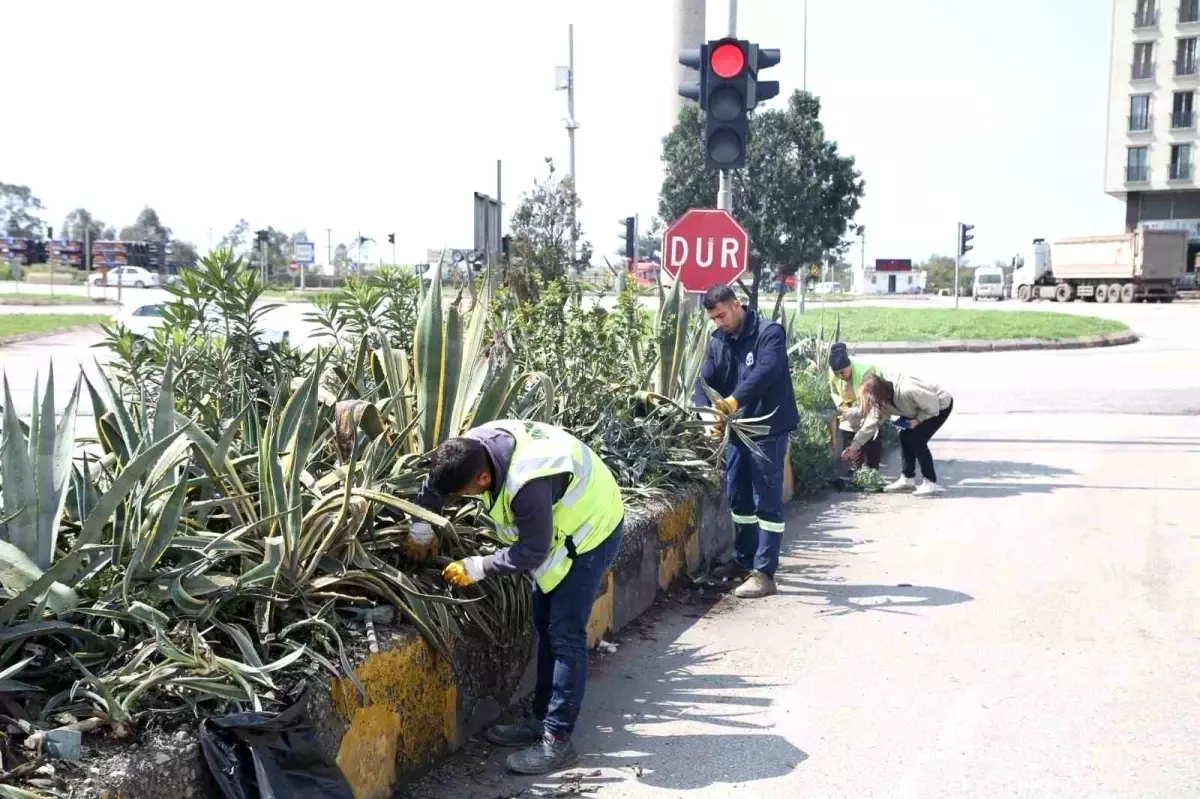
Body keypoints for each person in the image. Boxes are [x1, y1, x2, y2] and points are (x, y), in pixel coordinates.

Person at [409, 420, 624, 775]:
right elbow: (438, 478)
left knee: (565, 635)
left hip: (591, 531)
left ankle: (557, 741)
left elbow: (532, 551)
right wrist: (420, 527)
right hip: (560, 528)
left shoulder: (528, 483)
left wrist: (478, 566)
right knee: (545, 623)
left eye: (466, 493)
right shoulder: (470, 448)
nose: (466, 499)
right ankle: (539, 719)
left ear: (482, 480)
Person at [693, 284, 798, 599]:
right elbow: (703, 378)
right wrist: (706, 413)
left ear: (737, 305)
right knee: (738, 498)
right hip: (736, 430)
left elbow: (765, 373)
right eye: (713, 319)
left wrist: (732, 402)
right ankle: (743, 560)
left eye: (722, 316)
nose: (718, 323)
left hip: (767, 429)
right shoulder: (719, 341)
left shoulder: (770, 333)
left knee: (766, 500)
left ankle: (764, 573)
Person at [843, 372, 954, 496]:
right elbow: (870, 425)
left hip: (939, 406)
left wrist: (919, 420)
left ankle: (930, 482)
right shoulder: (880, 401)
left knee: (917, 439)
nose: (869, 402)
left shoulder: (908, 389)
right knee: (905, 436)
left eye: (870, 399)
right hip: (916, 410)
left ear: (879, 395)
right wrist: (854, 447)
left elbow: (933, 405)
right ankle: (907, 479)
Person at [827, 342, 884, 470]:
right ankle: (850, 468)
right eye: (837, 373)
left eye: (842, 372)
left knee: (871, 429)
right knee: (845, 431)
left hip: (873, 399)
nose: (840, 376)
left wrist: (856, 410)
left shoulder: (866, 372)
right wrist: (840, 404)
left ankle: (872, 468)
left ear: (849, 366)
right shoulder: (833, 372)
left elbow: (871, 403)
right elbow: (834, 391)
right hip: (850, 404)